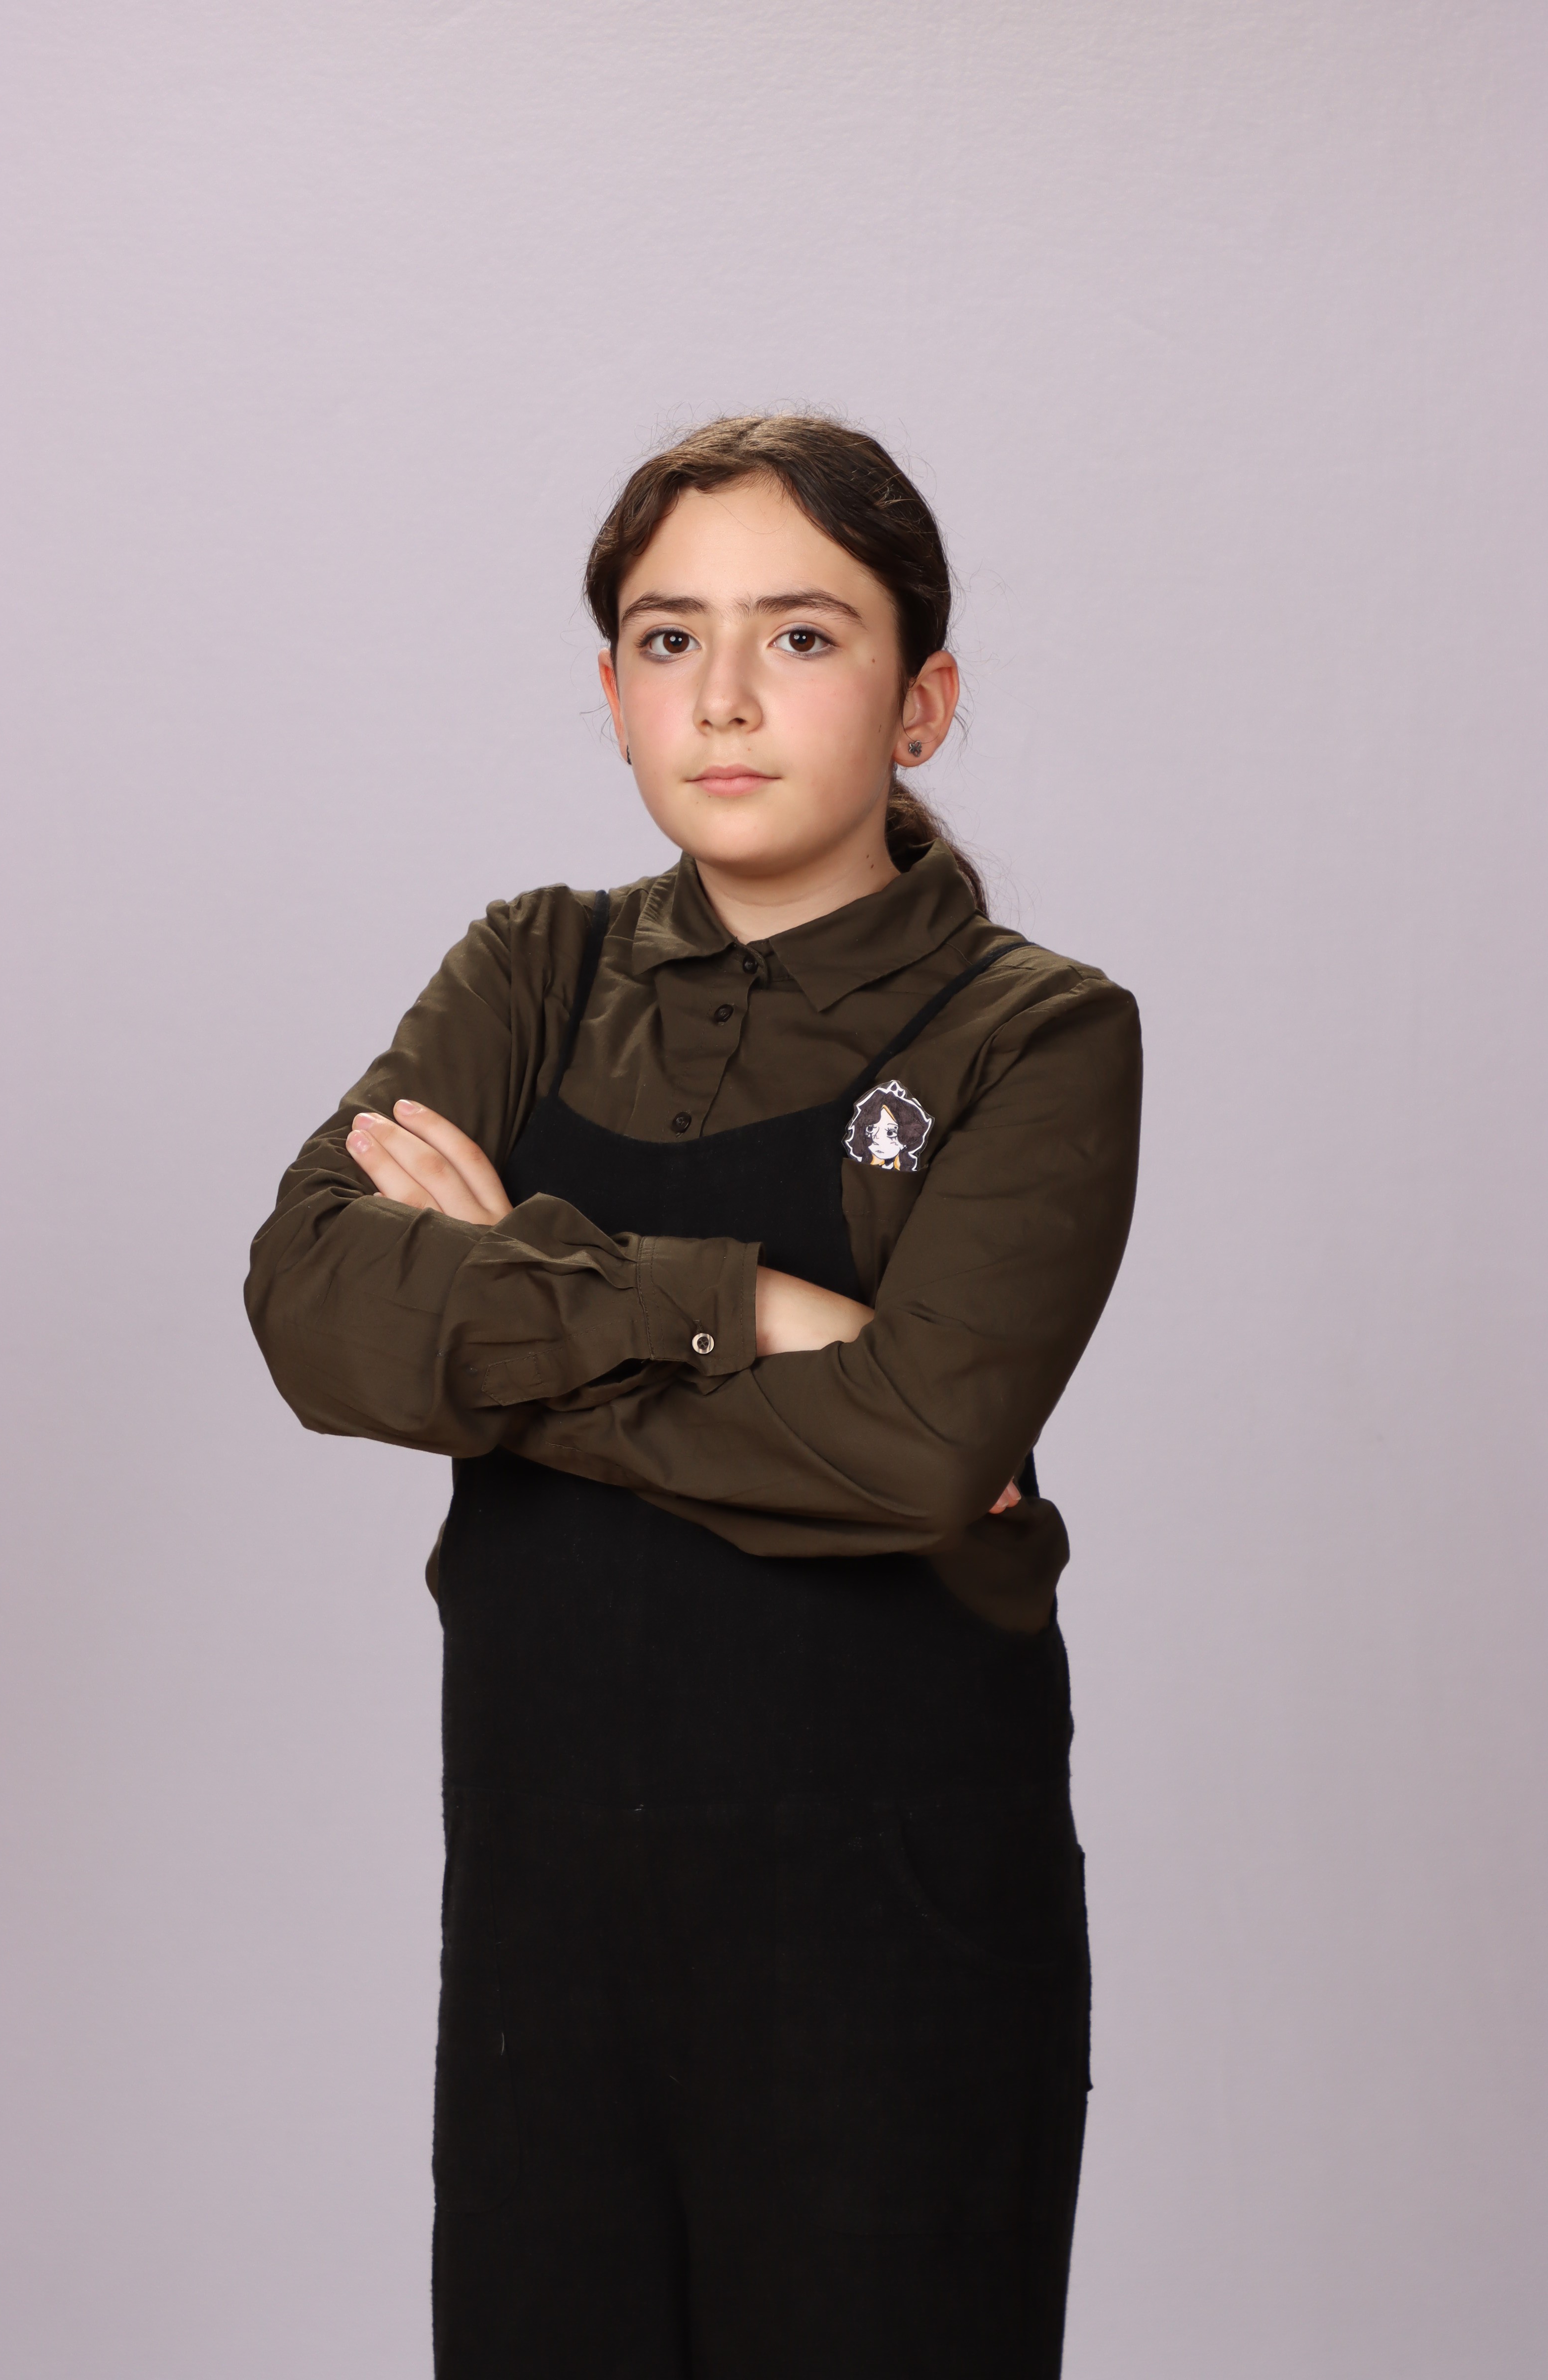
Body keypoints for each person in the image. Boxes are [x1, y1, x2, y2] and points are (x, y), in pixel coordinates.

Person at [246, 414, 1142, 2380]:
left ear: (921, 703)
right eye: (669, 639)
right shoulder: (532, 970)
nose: (722, 697)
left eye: (800, 636)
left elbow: (919, 1454)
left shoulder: (1037, 1033)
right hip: (549, 1899)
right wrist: (737, 1303)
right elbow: (310, 1307)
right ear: (612, 693)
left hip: (892, 1914)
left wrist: (496, 1339)